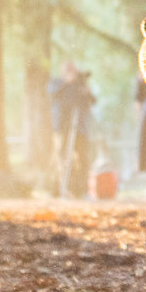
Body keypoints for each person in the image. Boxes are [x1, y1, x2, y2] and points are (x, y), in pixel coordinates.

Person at [49, 62, 95, 197]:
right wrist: (68, 83)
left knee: (82, 159)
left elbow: (92, 101)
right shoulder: (57, 83)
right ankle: (62, 188)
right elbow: (54, 96)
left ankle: (82, 190)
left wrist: (85, 90)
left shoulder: (80, 86)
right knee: (63, 157)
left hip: (80, 128)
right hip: (63, 127)